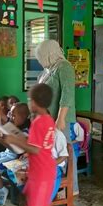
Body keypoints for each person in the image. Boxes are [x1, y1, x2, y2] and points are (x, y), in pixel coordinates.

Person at [4, 83, 76, 206]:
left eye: (30, 99)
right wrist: (15, 137)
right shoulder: (48, 119)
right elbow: (36, 144)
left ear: (34, 102)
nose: (29, 102)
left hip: (43, 170)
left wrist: (14, 140)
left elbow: (35, 149)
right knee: (30, 198)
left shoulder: (38, 122)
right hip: (40, 168)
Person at [35, 40, 79, 195]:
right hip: (48, 118)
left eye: (41, 55)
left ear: (49, 53)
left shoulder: (64, 67)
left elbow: (67, 95)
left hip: (62, 119)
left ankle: (71, 188)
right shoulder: (49, 69)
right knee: (53, 151)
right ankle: (57, 184)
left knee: (65, 151)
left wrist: (60, 118)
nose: (39, 59)